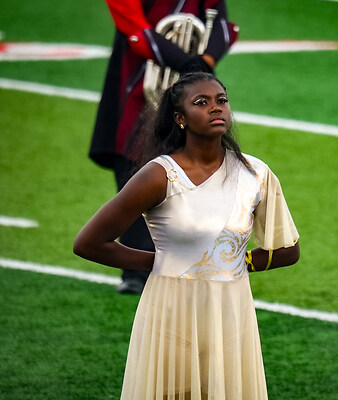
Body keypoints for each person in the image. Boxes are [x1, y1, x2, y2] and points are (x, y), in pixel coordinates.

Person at [74, 72, 300, 399]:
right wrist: (160, 261)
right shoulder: (159, 175)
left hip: (230, 311)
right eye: (202, 102)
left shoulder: (255, 174)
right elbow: (89, 243)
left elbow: (287, 251)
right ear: (180, 118)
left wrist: (234, 262)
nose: (216, 108)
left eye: (221, 100)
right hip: (171, 309)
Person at [90, 0, 239, 294]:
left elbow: (223, 27)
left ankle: (191, 261)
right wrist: (188, 63)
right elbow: (135, 30)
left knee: (191, 171)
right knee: (133, 169)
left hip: (189, 92)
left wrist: (204, 62)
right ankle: (135, 271)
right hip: (138, 87)